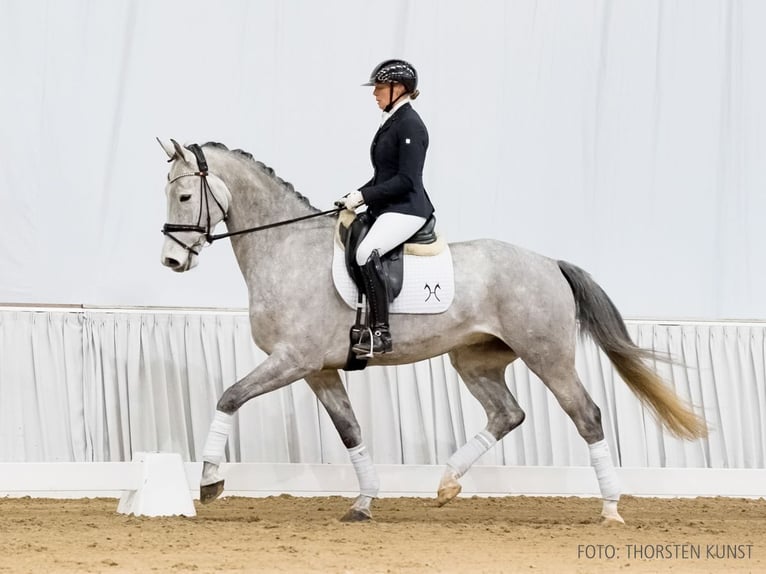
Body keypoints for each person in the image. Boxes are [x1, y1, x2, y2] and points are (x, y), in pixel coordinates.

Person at [337, 59, 435, 356]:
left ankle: (381, 332)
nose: (374, 93)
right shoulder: (392, 120)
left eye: (380, 87)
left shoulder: (410, 125)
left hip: (408, 208)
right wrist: (355, 194)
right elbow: (384, 175)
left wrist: (365, 195)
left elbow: (406, 180)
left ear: (399, 89)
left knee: (367, 252)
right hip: (390, 205)